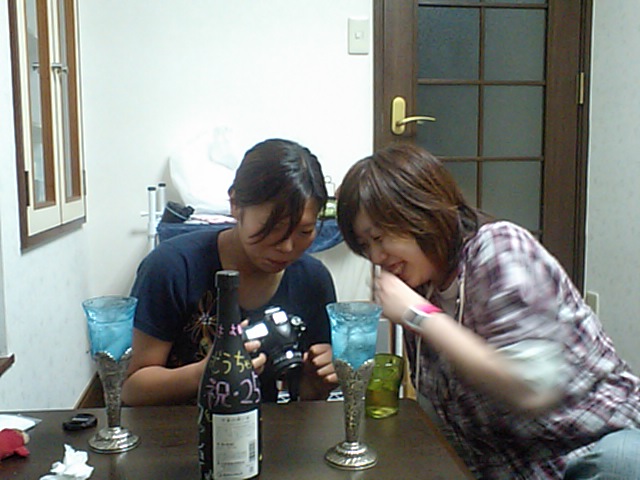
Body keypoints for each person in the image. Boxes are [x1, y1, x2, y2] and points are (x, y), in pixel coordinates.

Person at [336, 143, 640, 479]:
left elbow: (531, 386)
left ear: (420, 212)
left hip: (587, 449)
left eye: (379, 237)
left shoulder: (499, 249)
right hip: (513, 469)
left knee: (621, 462)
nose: (376, 256)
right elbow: (444, 417)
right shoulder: (422, 288)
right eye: (365, 246)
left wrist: (418, 315)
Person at [122, 138, 338, 406]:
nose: (287, 247)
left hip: (266, 428)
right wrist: (206, 372)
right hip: (180, 427)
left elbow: (307, 397)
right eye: (273, 228)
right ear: (235, 204)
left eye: (304, 231)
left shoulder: (313, 280)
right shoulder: (173, 267)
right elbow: (132, 389)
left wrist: (316, 383)